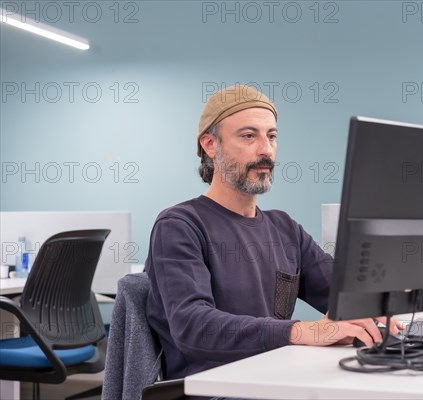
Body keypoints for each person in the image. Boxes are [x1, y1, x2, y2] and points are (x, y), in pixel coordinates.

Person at [145, 84, 402, 381]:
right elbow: (194, 327)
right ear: (210, 145)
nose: (266, 150)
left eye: (272, 136)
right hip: (215, 388)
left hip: (278, 376)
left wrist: (383, 303)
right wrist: (303, 330)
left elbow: (342, 292)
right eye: (248, 136)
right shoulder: (179, 226)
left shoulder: (284, 228)